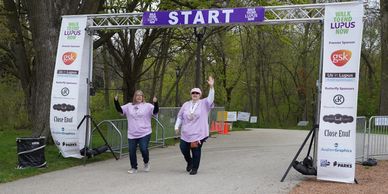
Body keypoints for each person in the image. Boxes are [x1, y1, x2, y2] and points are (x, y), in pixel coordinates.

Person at [174, 76, 215, 175]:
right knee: (183, 148)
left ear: (200, 95)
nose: (195, 94)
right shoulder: (186, 104)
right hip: (186, 132)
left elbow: (210, 98)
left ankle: (195, 168)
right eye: (193, 93)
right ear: (191, 94)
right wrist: (176, 126)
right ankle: (189, 162)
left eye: (197, 93)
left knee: (195, 150)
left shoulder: (204, 103)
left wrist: (211, 87)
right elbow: (180, 116)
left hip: (198, 133)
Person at [114, 90, 159, 174]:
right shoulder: (129, 106)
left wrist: (156, 103)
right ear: (134, 97)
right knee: (131, 151)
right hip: (132, 133)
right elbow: (120, 110)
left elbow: (155, 111)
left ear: (143, 97)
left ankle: (146, 162)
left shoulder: (148, 106)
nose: (139, 97)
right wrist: (116, 101)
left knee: (143, 149)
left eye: (140, 95)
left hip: (144, 132)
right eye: (137, 95)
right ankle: (134, 167)